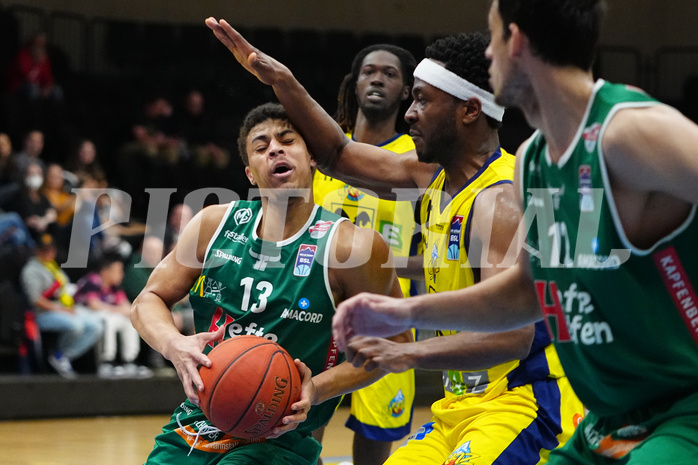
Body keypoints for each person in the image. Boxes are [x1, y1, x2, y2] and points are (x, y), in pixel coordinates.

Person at [328, 1, 698, 463]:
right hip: (607, 419)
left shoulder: (628, 131)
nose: (488, 57)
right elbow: (527, 292)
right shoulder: (535, 163)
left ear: (517, 41)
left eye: (493, 38)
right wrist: (403, 315)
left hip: (680, 415)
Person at [206, 20, 583, 464]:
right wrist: (282, 83)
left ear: (469, 110)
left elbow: (514, 338)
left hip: (524, 403)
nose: (409, 113)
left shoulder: (500, 201)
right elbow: (336, 155)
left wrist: (403, 353)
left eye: (423, 100)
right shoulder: (432, 178)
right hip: (458, 405)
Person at [131, 103, 412, 465]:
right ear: (250, 173)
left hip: (283, 435)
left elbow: (397, 342)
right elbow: (147, 299)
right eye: (261, 146)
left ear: (312, 156)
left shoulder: (353, 246)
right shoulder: (213, 225)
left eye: (287, 140)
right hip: (201, 420)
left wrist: (318, 387)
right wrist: (174, 345)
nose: (275, 149)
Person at [312, 43, 418, 465]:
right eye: (369, 72)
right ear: (353, 84)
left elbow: (434, 250)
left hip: (385, 317)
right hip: (316, 312)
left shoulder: (418, 160)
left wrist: (375, 267)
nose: (378, 79)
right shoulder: (320, 154)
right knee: (299, 431)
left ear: (407, 91)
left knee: (374, 448)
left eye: (390, 74)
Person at [19, 233, 102, 378]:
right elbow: (35, 299)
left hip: (64, 308)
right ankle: (59, 356)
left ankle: (62, 355)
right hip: (42, 314)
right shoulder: (31, 270)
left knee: (96, 324)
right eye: (44, 250)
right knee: (76, 325)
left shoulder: (54, 268)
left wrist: (69, 305)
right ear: (37, 250)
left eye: (51, 250)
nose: (49, 253)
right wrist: (61, 310)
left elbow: (65, 290)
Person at [74, 252, 152, 379]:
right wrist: (118, 310)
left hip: (106, 314)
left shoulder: (114, 287)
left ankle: (129, 361)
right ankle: (106, 362)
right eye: (118, 271)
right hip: (84, 314)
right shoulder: (93, 281)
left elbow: (127, 308)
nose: (122, 274)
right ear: (106, 271)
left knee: (128, 321)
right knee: (108, 320)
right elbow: (94, 305)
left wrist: (127, 312)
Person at [6, 31, 63, 102]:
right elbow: (27, 76)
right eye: (37, 43)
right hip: (19, 86)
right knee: (33, 90)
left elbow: (48, 77)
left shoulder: (44, 58)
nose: (39, 46)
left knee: (57, 91)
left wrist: (47, 87)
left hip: (39, 86)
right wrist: (36, 64)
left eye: (42, 44)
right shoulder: (22, 55)